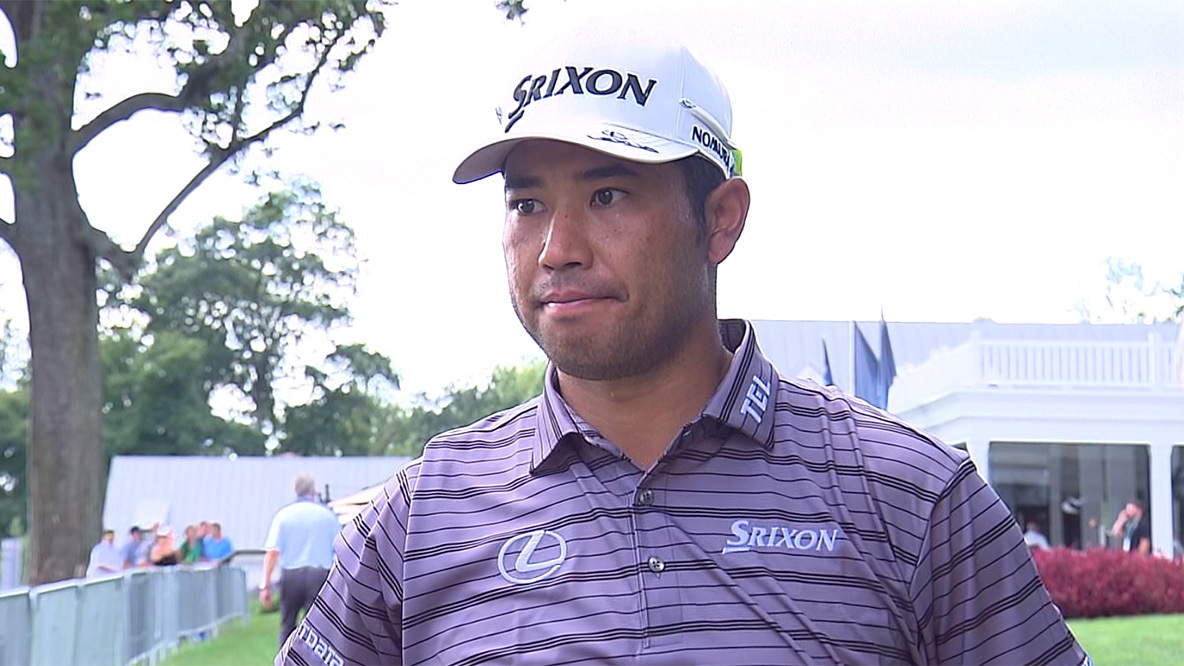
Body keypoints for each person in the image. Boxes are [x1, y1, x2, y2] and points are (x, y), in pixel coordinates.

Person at [278, 36, 1090, 665]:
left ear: (721, 220)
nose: (558, 248)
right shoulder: (422, 518)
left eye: (607, 195)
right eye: (527, 204)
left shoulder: (911, 497)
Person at [262, 473, 341, 650]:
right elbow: (340, 548)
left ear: (295, 491)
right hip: (320, 575)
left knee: (288, 625)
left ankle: (286, 658)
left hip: (291, 576)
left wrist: (266, 585)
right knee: (319, 628)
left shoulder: (283, 516)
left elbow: (272, 552)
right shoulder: (327, 516)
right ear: (314, 491)